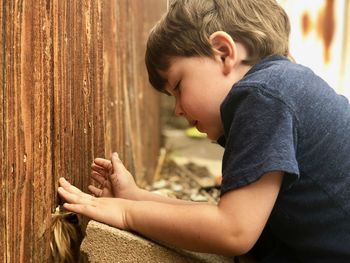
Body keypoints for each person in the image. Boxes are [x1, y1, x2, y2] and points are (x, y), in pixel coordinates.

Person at [58, 0, 350, 262]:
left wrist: (126, 213)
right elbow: (228, 220)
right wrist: (135, 197)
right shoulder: (281, 87)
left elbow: (233, 231)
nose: (178, 110)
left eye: (178, 86)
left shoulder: (263, 96)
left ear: (223, 52)